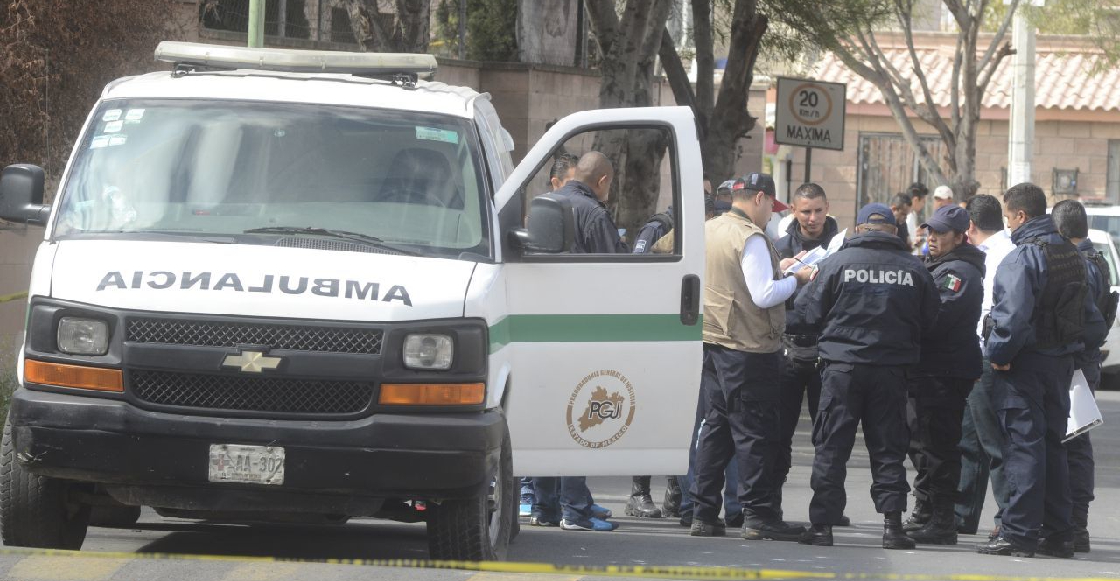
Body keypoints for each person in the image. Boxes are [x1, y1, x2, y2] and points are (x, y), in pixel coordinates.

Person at [792, 203, 939, 550]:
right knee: (889, 449)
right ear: (892, 230)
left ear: (858, 229)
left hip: (842, 370)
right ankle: (892, 527)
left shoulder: (836, 264)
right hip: (891, 372)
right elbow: (931, 320)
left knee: (832, 447)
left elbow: (807, 314)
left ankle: (822, 527)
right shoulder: (914, 268)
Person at [977, 183, 1106, 558]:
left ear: (1019, 215)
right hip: (1060, 367)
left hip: (1024, 367)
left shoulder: (1021, 259)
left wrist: (999, 352)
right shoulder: (1073, 255)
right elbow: (1093, 324)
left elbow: (1012, 318)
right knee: (1054, 449)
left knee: (1024, 449)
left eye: (1007, 218)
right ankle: (1059, 534)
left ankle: (1018, 533)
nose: (1007, 226)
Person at [690, 172, 812, 541]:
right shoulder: (750, 236)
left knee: (717, 429)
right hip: (749, 350)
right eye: (770, 209)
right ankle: (759, 515)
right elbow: (762, 295)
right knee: (755, 433)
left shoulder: (709, 228)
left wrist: (782, 268)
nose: (770, 217)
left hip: (713, 343)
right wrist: (798, 279)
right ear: (759, 199)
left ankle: (703, 512)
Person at [529, 152, 619, 532]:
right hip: (585, 329)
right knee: (581, 420)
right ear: (601, 181)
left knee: (549, 419)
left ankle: (546, 508)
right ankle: (575, 510)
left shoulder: (542, 207)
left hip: (541, 329)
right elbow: (617, 272)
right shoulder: (594, 213)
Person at [903, 205, 986, 546]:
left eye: (939, 233)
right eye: (929, 231)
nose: (931, 237)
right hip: (932, 369)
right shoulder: (940, 265)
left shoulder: (959, 272)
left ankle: (942, 519)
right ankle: (926, 509)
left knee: (938, 446)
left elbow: (936, 318)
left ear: (959, 235)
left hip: (945, 371)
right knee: (921, 442)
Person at [772, 183, 847, 526]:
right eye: (805, 211)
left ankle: (828, 511)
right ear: (793, 210)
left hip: (827, 349)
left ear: (827, 207)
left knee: (829, 436)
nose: (813, 218)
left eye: (818, 210)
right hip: (786, 347)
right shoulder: (778, 247)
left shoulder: (842, 247)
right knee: (777, 434)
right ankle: (769, 507)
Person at [1051, 200, 1116, 553]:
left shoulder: (1078, 264)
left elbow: (1084, 322)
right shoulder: (1096, 261)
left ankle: (1073, 524)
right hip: (1083, 362)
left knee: (1071, 443)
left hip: (1073, 363)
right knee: (1075, 443)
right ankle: (1075, 523)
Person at [954, 195, 1016, 538]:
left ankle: (1008, 517)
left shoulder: (998, 256)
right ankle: (962, 513)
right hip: (977, 352)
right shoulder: (999, 251)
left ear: (970, 227)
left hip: (989, 354)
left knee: (993, 442)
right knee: (969, 438)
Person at [905, 182, 929, 250]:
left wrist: (916, 232)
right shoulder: (908, 218)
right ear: (915, 200)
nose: (923, 205)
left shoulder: (912, 215)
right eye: (923, 201)